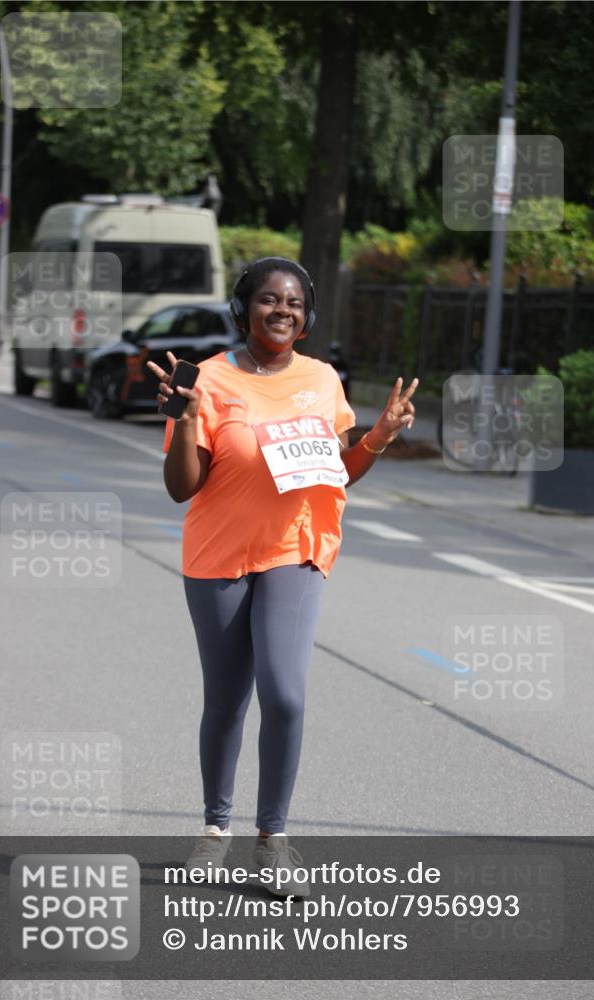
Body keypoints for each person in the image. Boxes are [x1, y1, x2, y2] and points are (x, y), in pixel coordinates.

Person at [147, 257, 417, 896]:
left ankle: (273, 839)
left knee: (286, 694)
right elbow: (181, 488)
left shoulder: (322, 380)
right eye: (268, 301)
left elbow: (336, 470)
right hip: (218, 557)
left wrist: (379, 433)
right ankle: (216, 831)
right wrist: (186, 421)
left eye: (294, 304)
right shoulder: (207, 382)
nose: (282, 312)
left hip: (296, 549)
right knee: (227, 699)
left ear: (308, 317)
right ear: (243, 312)